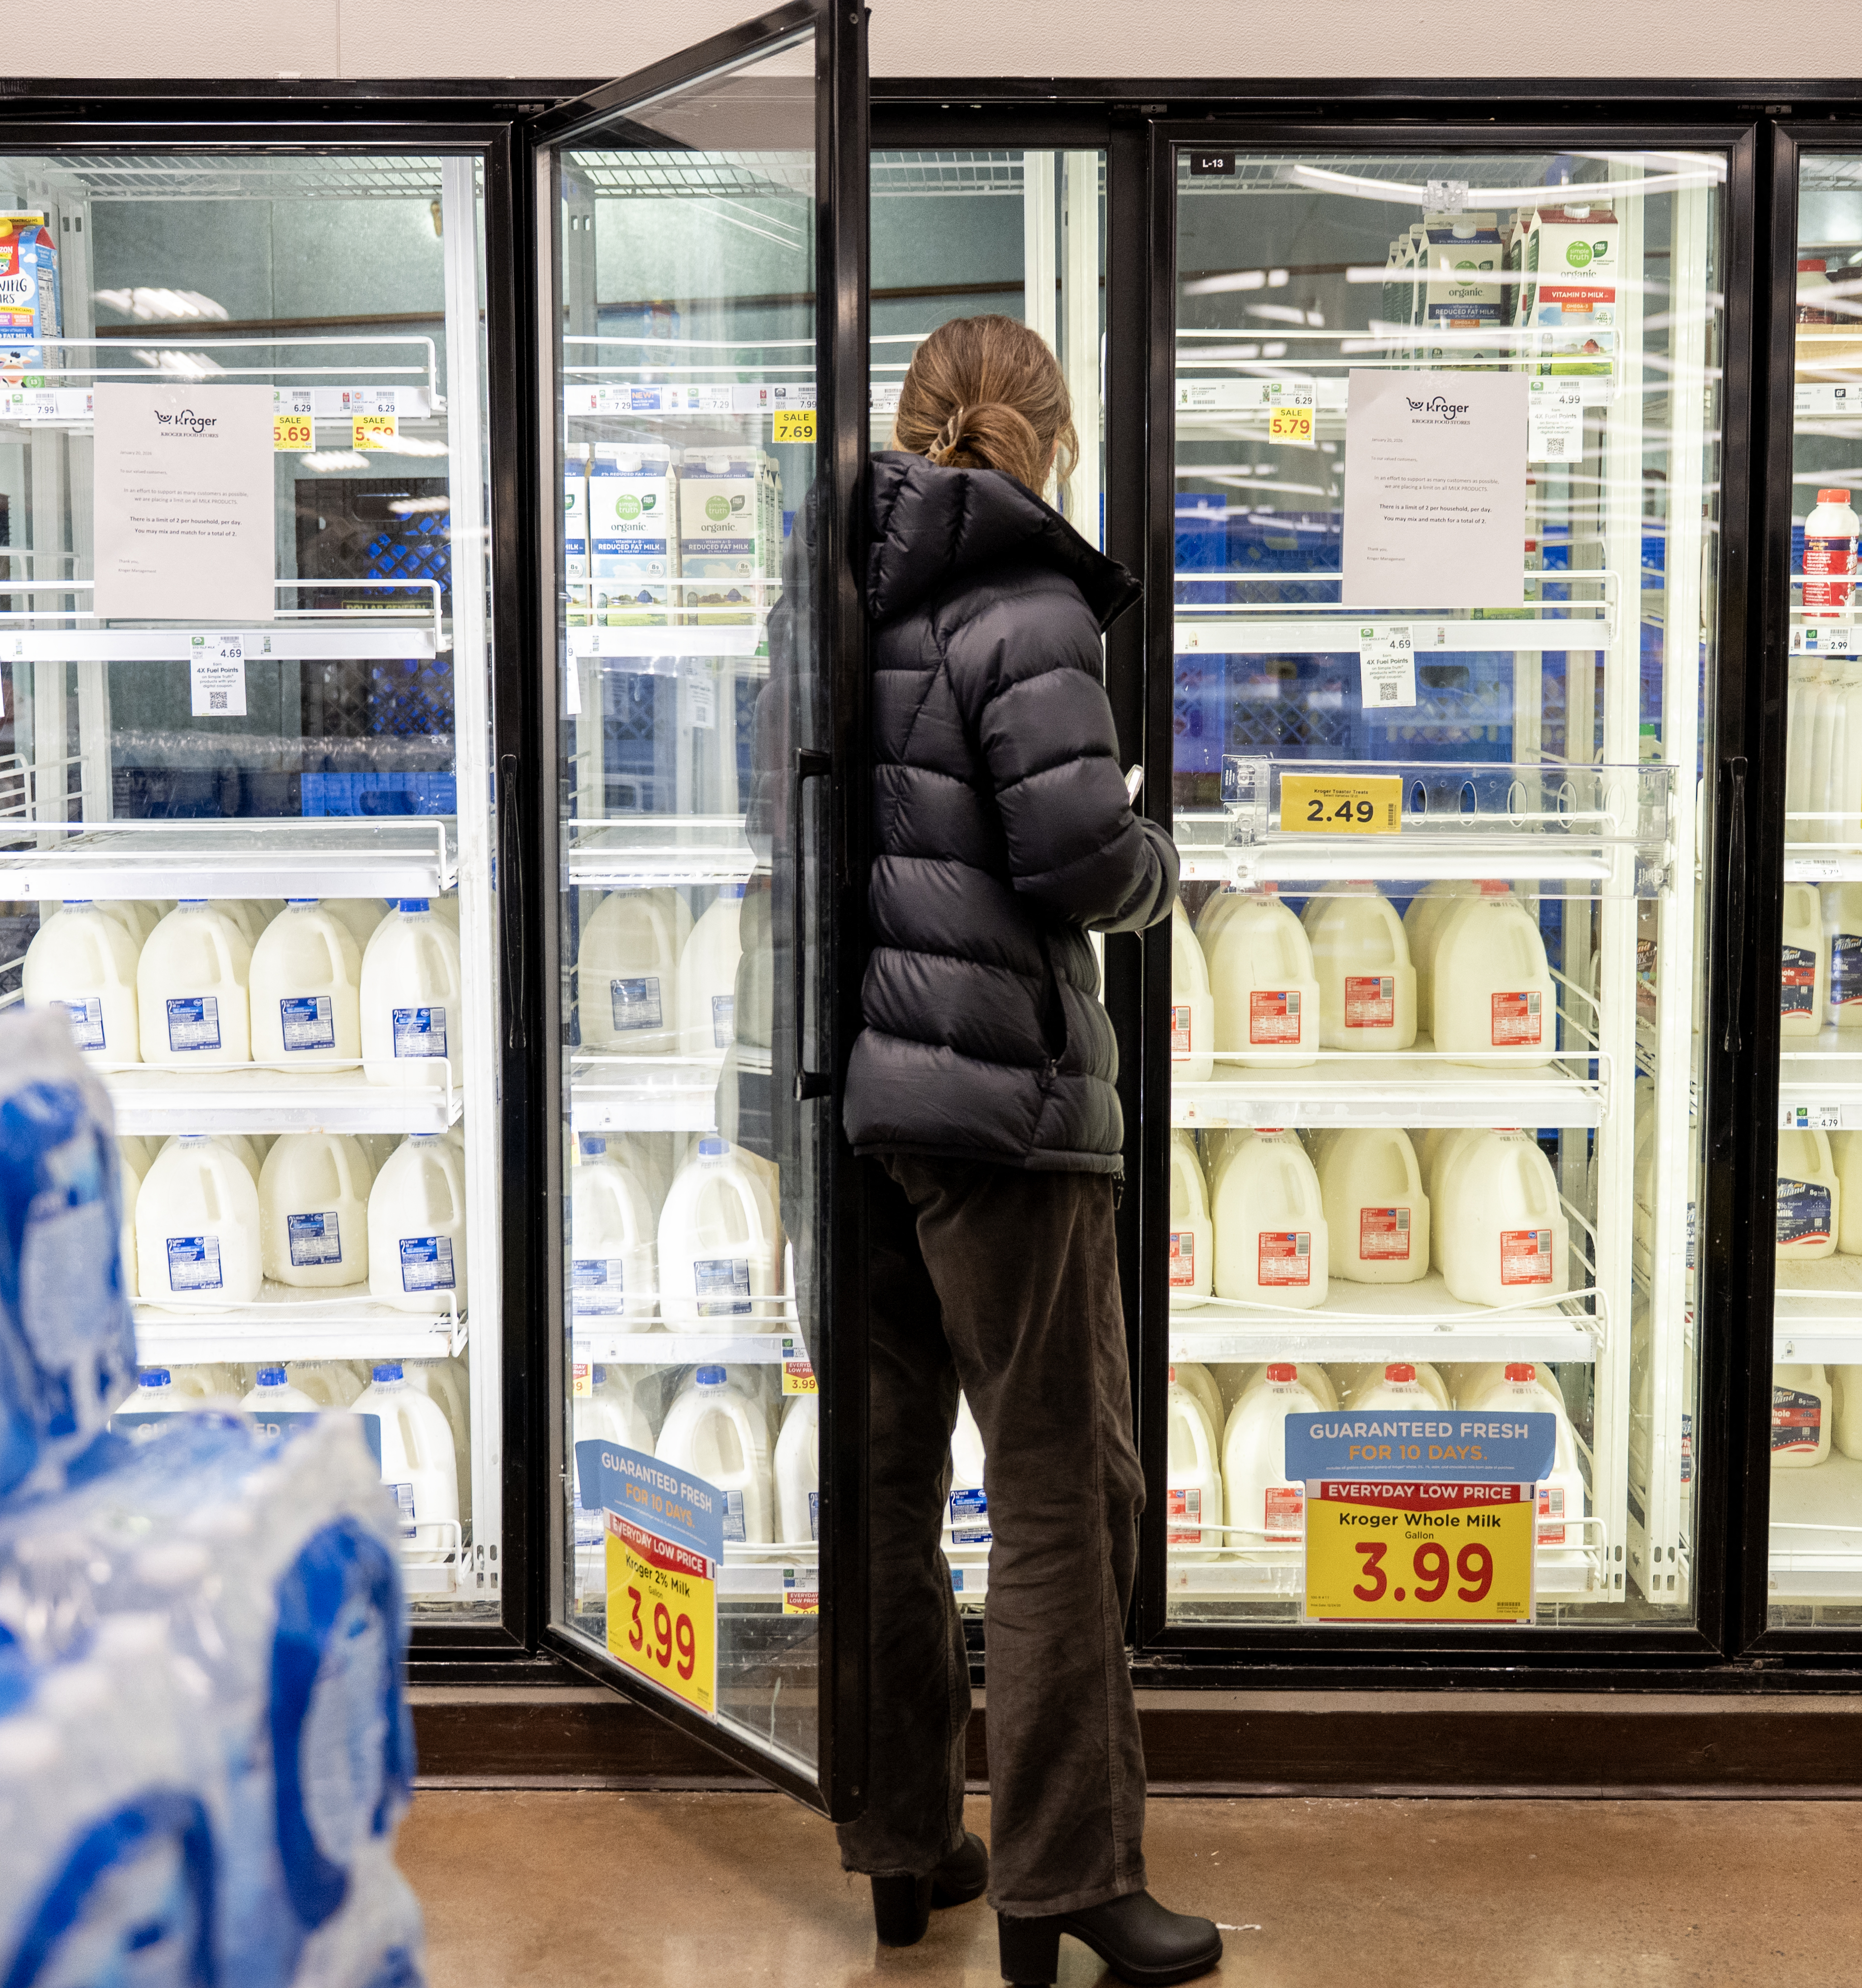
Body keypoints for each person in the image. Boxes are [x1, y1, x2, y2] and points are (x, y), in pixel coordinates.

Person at [834, 313, 1219, 1988]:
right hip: (1004, 1118)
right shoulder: (1030, 603)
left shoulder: (846, 594)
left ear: (915, 431)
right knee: (1063, 1496)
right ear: (1053, 439)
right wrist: (1160, 855)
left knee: (889, 1486)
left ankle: (908, 1844)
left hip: (865, 1105)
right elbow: (1072, 862)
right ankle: (1066, 1882)